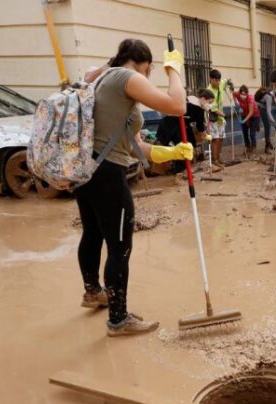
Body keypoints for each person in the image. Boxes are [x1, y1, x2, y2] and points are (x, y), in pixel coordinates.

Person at [78, 39, 191, 336]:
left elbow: (130, 146)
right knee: (120, 247)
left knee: (92, 233)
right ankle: (118, 320)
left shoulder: (103, 78)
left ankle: (93, 292)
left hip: (86, 170)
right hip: (107, 175)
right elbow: (178, 105)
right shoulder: (128, 77)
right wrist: (174, 71)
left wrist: (169, 152)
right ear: (147, 66)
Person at [207, 69, 228, 170]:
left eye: (219, 80)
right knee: (215, 139)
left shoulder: (221, 83)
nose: (218, 82)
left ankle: (219, 158)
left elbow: (226, 81)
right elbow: (213, 109)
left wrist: (230, 83)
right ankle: (214, 159)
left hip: (221, 119)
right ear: (211, 79)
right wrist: (223, 114)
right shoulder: (209, 91)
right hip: (213, 118)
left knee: (221, 138)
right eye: (216, 80)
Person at [234, 85, 262, 153]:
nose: (243, 95)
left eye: (245, 94)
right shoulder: (237, 94)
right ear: (240, 93)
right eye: (242, 94)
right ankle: (248, 147)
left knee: (252, 133)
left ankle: (253, 147)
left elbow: (251, 112)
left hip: (255, 116)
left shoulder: (250, 99)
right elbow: (233, 94)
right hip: (244, 115)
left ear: (247, 93)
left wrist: (244, 121)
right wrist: (236, 103)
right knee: (245, 132)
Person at [256, 86, 276, 153]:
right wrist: (274, 123)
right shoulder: (269, 97)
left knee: (268, 125)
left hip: (259, 107)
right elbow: (268, 111)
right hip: (261, 109)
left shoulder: (269, 94)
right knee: (267, 126)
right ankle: (267, 147)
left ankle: (269, 143)